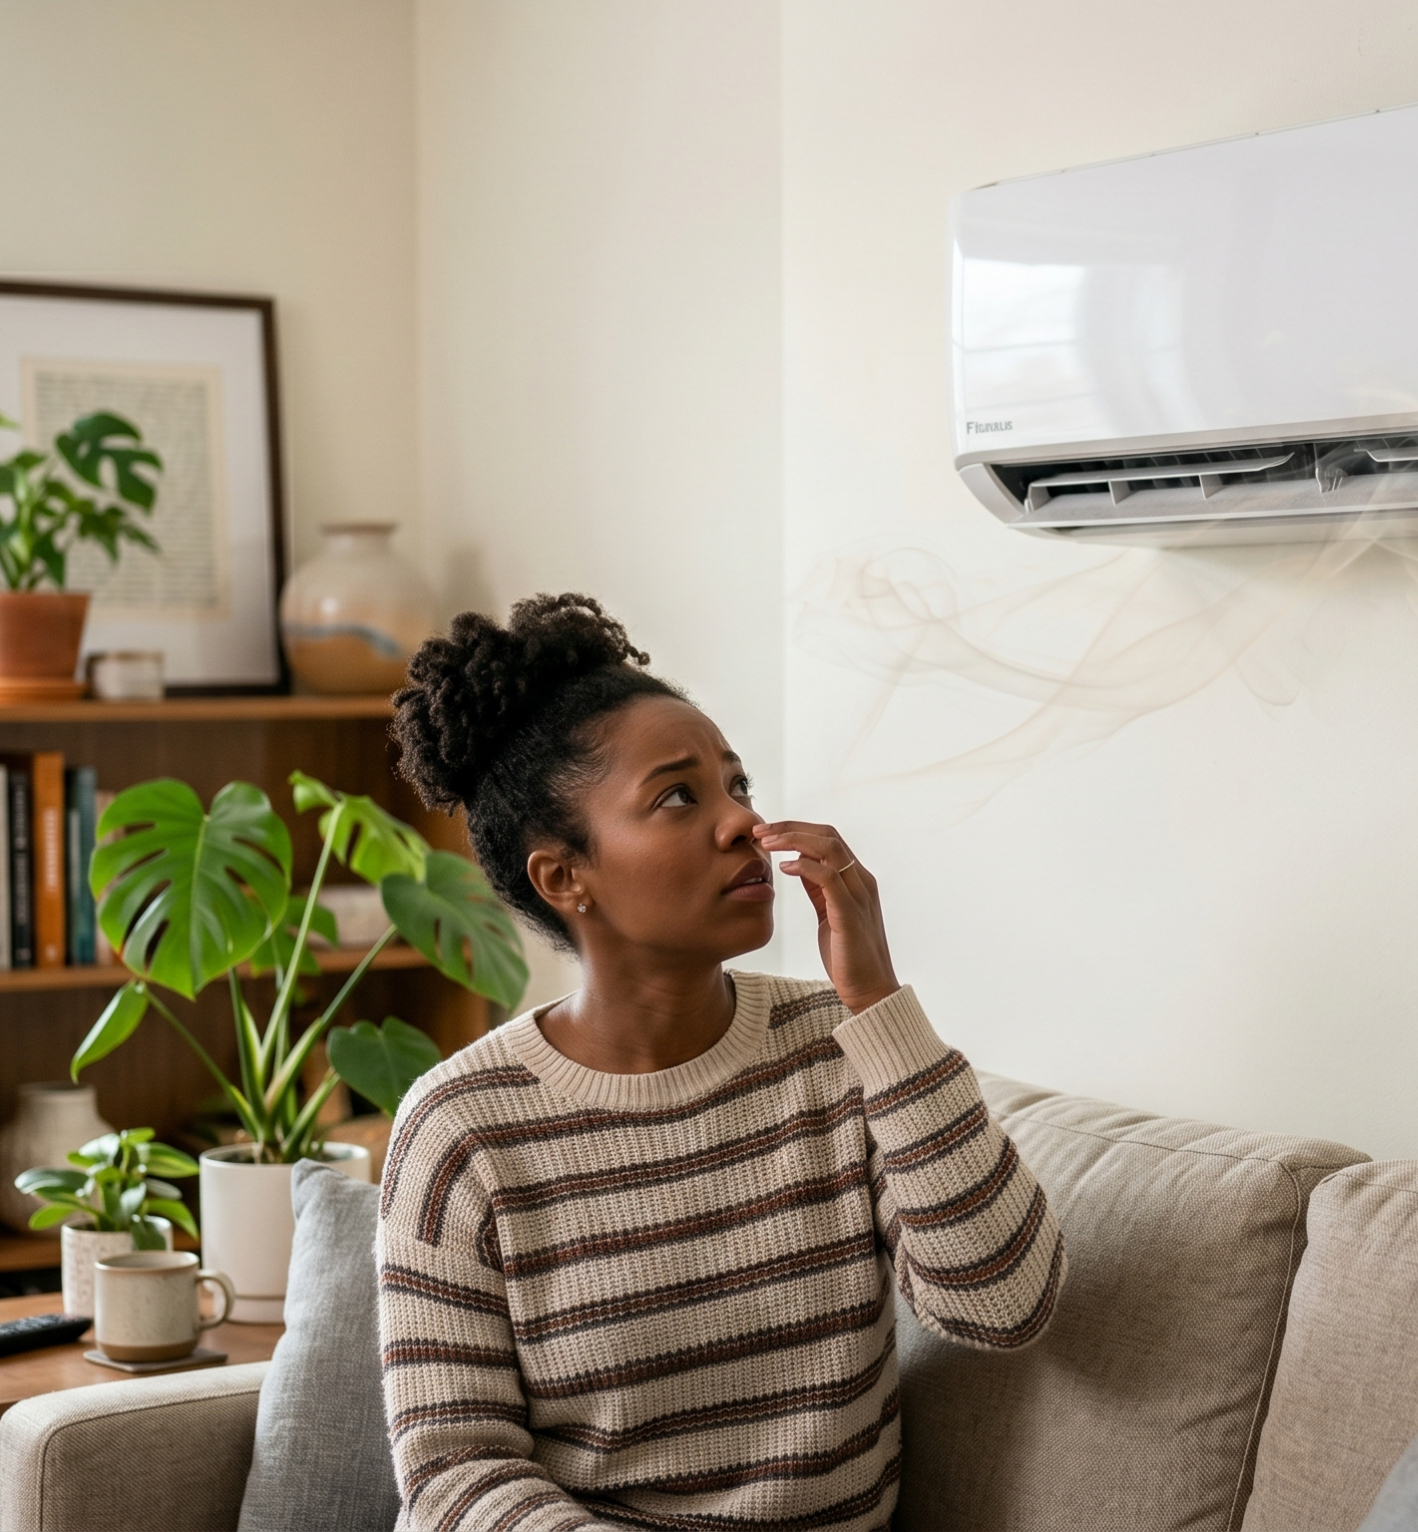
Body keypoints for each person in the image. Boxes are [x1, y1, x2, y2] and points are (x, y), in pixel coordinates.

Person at [378, 593, 1065, 1532]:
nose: (743, 822)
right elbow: (454, 1475)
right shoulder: (460, 1129)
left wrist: (879, 1006)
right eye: (678, 796)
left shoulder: (840, 1050)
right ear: (563, 876)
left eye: (737, 786)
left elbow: (1005, 1304)